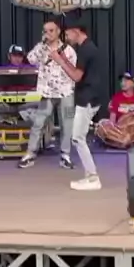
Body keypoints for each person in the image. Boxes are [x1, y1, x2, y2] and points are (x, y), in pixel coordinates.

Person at [50, 15, 103, 190]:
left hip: (87, 98)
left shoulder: (86, 50)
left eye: (67, 34)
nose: (66, 38)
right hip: (87, 97)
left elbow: (76, 76)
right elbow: (79, 72)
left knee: (78, 138)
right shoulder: (86, 48)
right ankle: (90, 176)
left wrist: (59, 61)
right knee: (78, 137)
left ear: (76, 31)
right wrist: (64, 59)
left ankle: (92, 177)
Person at [18, 20, 77, 169]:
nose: (48, 34)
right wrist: (42, 45)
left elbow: (74, 70)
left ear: (58, 32)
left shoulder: (68, 50)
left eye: (51, 30)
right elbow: (30, 59)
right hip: (47, 93)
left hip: (66, 92)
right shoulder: (41, 48)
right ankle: (30, 153)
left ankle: (65, 155)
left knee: (67, 124)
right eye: (45, 31)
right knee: (38, 123)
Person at [95, 73, 134, 149]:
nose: (123, 83)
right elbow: (112, 121)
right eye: (121, 81)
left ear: (133, 83)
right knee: (102, 124)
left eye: (126, 80)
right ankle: (122, 141)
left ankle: (129, 140)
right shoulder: (116, 98)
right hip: (121, 131)